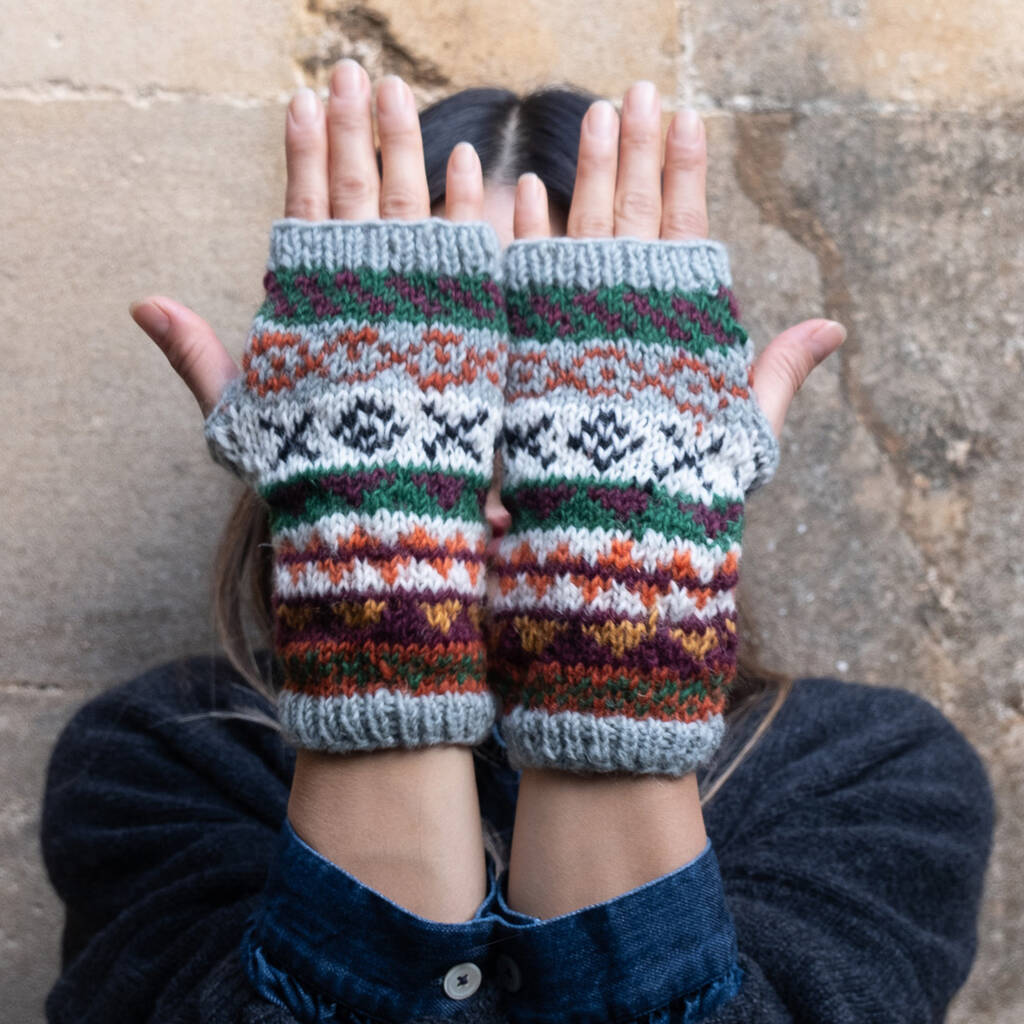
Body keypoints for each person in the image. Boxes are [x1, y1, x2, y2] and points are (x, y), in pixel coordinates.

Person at [39, 59, 994, 1023]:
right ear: (329, 414)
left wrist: (609, 647)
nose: (519, 471)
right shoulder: (162, 757)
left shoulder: (871, 772)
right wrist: (385, 623)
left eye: (565, 393)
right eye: (434, 392)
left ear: (676, 433)